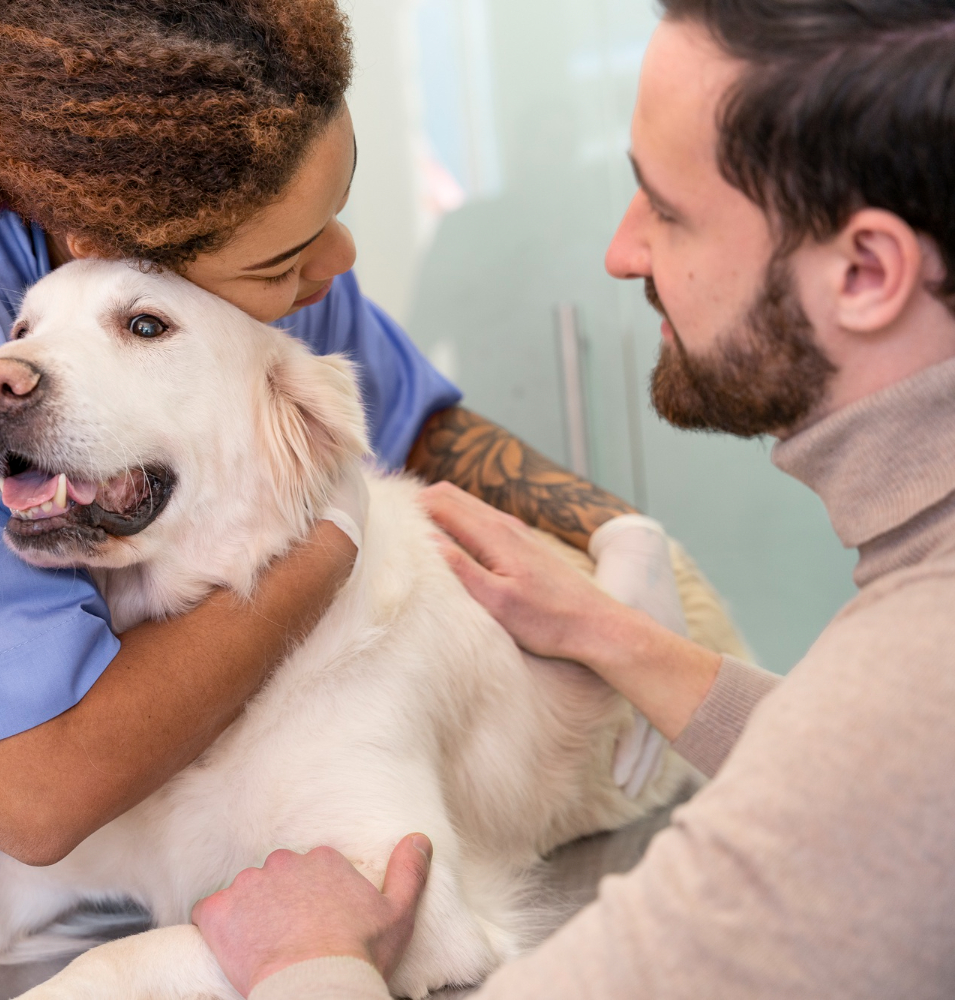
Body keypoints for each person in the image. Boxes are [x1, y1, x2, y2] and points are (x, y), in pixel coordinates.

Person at [0, 2, 648, 996]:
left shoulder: (244, 263)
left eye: (332, 213)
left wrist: (619, 543)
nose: (337, 263)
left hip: (19, 847)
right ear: (119, 239)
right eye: (289, 253)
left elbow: (416, 427)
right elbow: (36, 805)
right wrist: (327, 542)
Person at [192, 1, 955, 997]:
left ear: (865, 271)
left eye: (667, 209)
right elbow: (876, 782)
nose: (621, 252)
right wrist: (627, 641)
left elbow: (878, 755)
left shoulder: (910, 682)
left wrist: (304, 961)